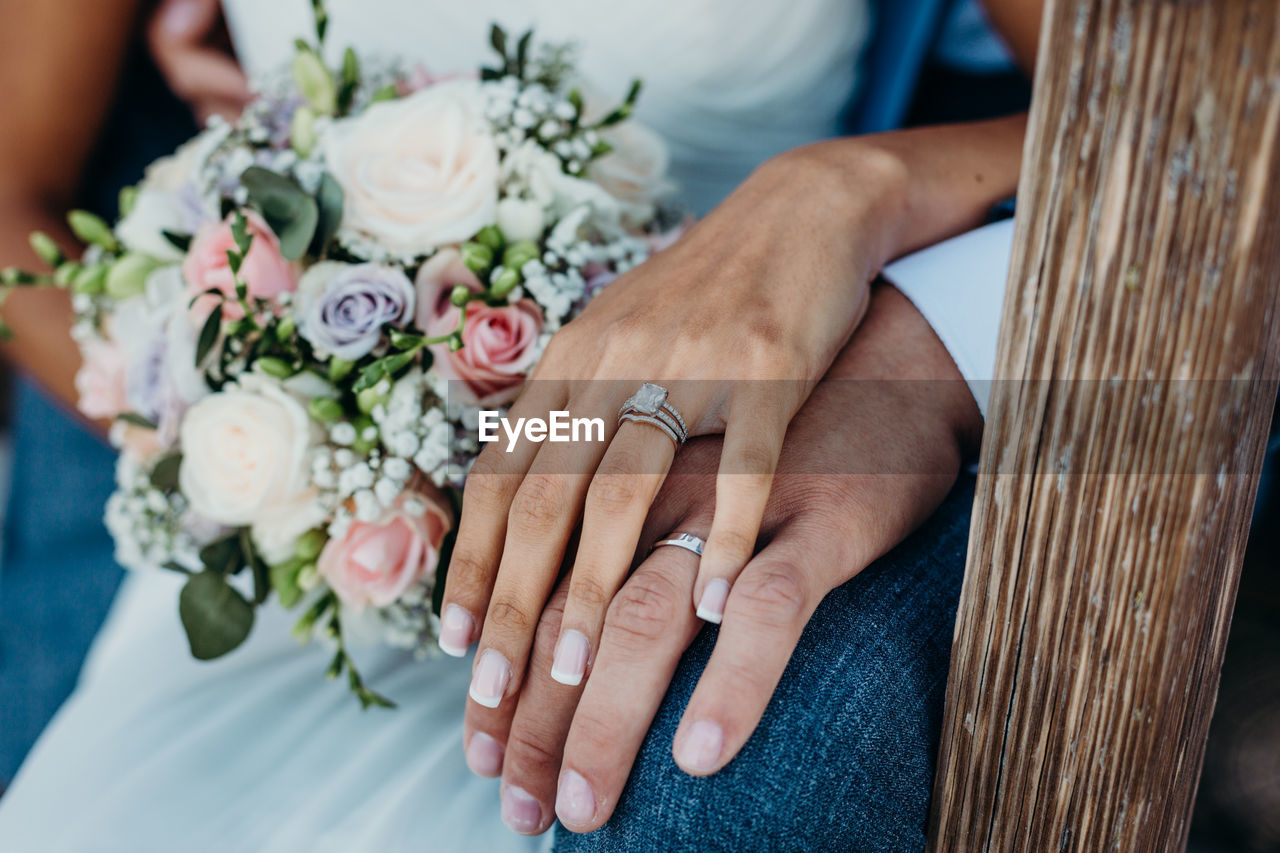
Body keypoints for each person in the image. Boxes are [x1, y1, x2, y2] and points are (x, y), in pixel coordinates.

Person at [0, 0, 1038, 849]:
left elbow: (1163, 129)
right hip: (328, 581)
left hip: (694, 461)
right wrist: (279, 442)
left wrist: (858, 186)